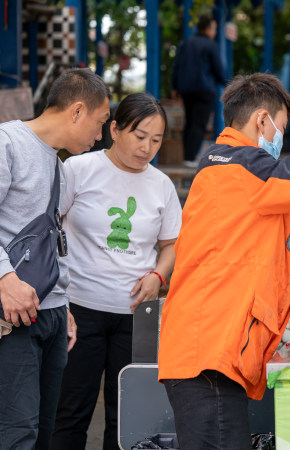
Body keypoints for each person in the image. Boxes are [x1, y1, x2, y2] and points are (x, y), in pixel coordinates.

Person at [158, 52, 290, 449]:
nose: (280, 139)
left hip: (210, 352)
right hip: (210, 355)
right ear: (262, 120)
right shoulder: (246, 169)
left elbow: (251, 255)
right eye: (281, 128)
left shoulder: (224, 167)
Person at [50, 93, 182, 450]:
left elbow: (171, 246)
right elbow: (51, 227)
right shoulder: (78, 169)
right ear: (115, 129)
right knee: (71, 409)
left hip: (135, 316)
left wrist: (158, 276)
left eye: (156, 140)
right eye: (140, 136)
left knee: (126, 414)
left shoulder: (162, 186)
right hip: (79, 309)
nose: (147, 148)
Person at [0, 68, 110, 450]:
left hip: (51, 315)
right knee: (17, 433)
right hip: (13, 316)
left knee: (45, 432)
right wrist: (4, 279)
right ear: (77, 111)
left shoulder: (61, 169)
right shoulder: (7, 143)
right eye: (99, 124)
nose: (100, 137)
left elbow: (53, 243)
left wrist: (64, 306)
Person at [171, 14, 227, 165]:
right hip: (204, 90)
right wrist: (229, 85)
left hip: (186, 89)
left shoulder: (185, 43)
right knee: (199, 123)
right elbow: (219, 70)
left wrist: (175, 87)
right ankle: (191, 158)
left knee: (189, 122)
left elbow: (176, 66)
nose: (215, 32)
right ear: (208, 29)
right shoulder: (211, 45)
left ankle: (187, 156)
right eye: (214, 28)